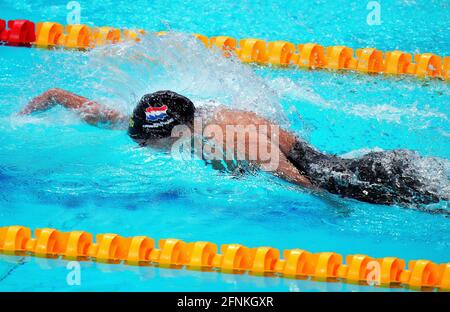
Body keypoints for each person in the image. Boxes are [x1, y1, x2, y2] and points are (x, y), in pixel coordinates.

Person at [20, 88, 445, 206]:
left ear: (177, 132)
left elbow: (285, 170)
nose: (146, 148)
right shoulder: (161, 118)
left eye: (153, 143)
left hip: (337, 176)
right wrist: (38, 107)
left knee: (425, 199)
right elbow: (64, 96)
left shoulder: (223, 138)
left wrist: (331, 205)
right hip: (324, 164)